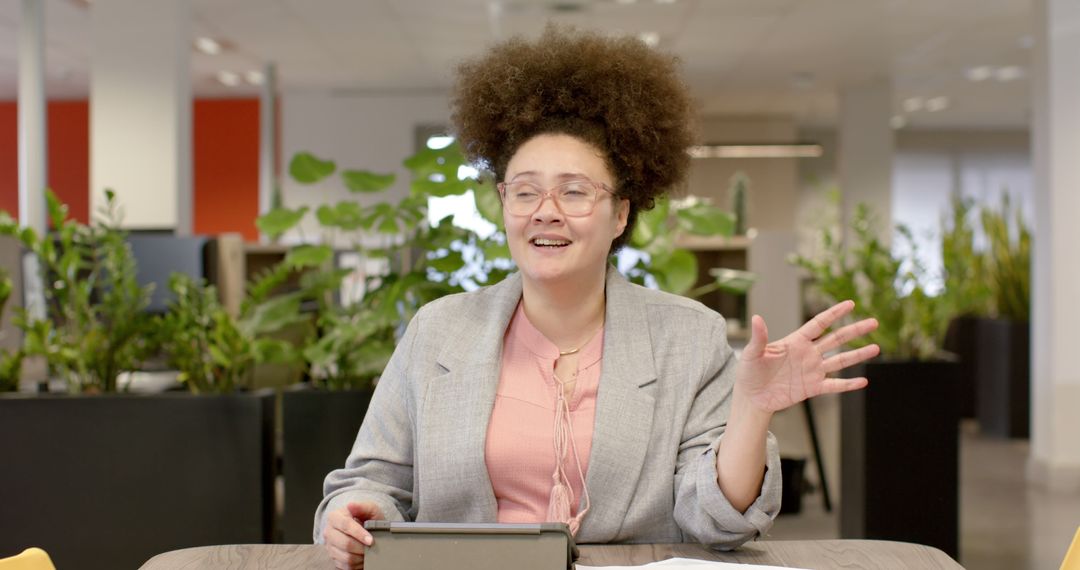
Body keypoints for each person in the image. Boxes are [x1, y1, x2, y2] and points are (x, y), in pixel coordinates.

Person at [316, 26, 879, 570]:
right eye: (525, 191)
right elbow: (371, 484)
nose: (546, 210)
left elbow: (718, 524)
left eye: (575, 191)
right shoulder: (438, 330)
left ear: (621, 213)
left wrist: (751, 413)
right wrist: (353, 514)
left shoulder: (687, 337)